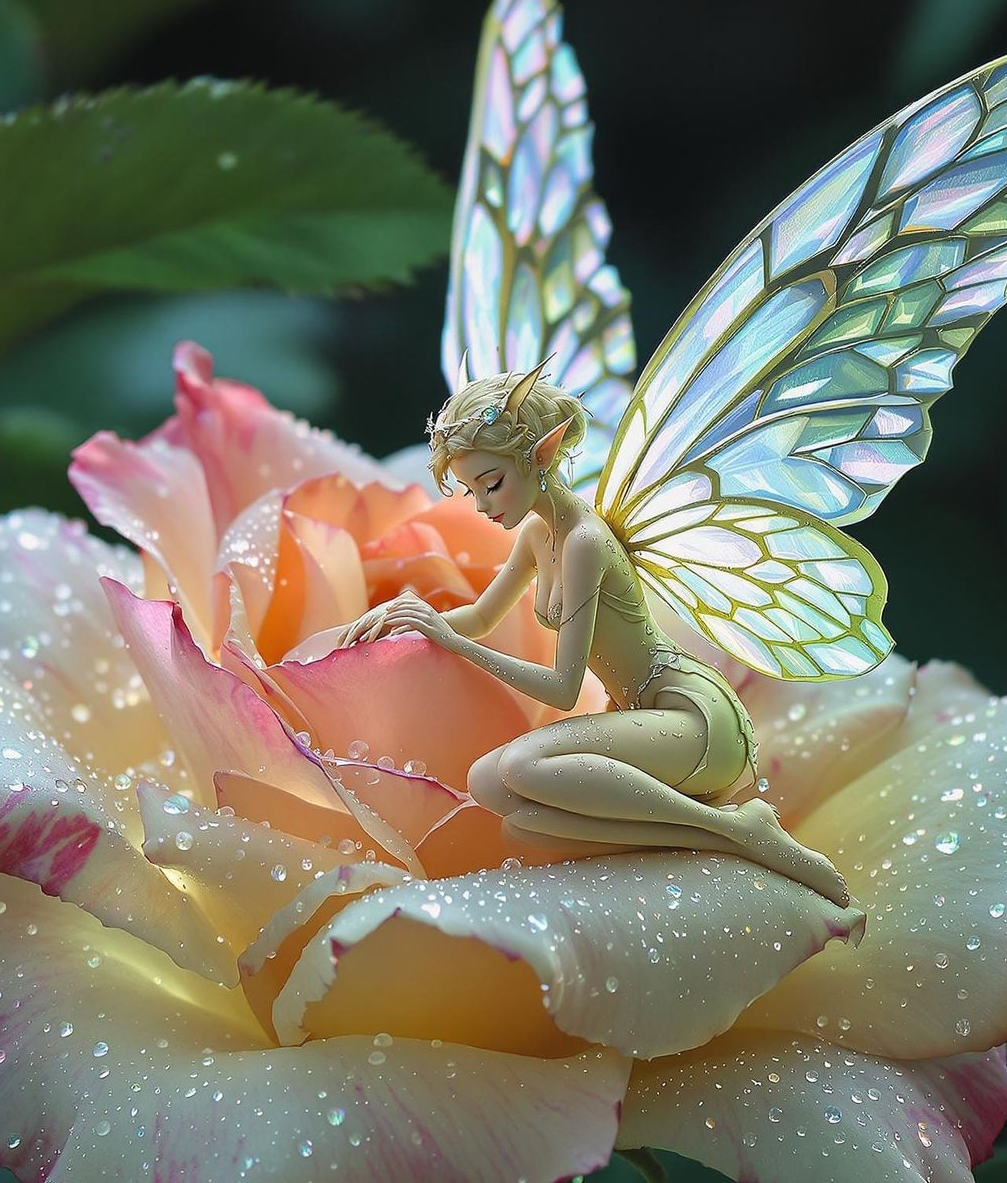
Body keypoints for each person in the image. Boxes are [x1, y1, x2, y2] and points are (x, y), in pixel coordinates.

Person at [339, 369, 850, 906]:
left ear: (541, 455)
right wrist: (411, 613)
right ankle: (729, 832)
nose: (482, 505)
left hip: (695, 718)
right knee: (503, 800)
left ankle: (733, 829)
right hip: (646, 719)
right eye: (472, 491)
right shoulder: (538, 534)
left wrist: (456, 645)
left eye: (491, 484)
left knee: (518, 768)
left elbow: (564, 688)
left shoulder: (584, 542)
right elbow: (482, 617)